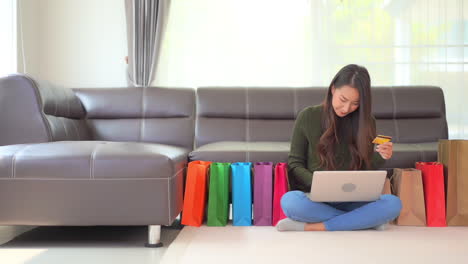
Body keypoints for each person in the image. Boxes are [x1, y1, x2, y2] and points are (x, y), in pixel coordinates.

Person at [277, 64, 402, 232]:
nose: (346, 108)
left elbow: (366, 166)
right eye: (343, 100)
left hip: (353, 199)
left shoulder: (366, 121)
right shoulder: (308, 116)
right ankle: (364, 221)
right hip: (316, 198)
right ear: (333, 89)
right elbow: (295, 163)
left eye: (355, 104)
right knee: (290, 202)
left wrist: (382, 156)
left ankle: (317, 226)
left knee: (393, 204)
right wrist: (317, 183)